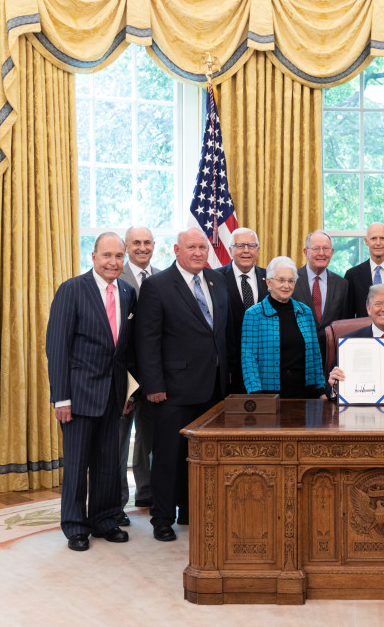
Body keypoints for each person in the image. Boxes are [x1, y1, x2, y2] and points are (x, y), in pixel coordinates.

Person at [135, 227, 232, 543]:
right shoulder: (157, 286)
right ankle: (162, 518)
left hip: (213, 389)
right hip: (172, 389)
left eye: (202, 247)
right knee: (167, 456)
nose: (198, 253)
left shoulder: (217, 282)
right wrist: (153, 384)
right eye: (191, 247)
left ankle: (191, 510)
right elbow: (147, 340)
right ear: (176, 250)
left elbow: (222, 335)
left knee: (203, 456)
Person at [46, 232, 136, 551]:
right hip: (79, 396)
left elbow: (127, 352)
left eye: (118, 256)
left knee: (107, 463)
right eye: (107, 255)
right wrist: (61, 398)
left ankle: (104, 519)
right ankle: (75, 526)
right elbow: (57, 347)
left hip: (114, 397)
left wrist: (128, 394)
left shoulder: (127, 292)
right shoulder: (72, 290)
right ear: (93, 256)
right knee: (77, 465)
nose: (113, 262)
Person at [118, 226, 161, 514]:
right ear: (126, 246)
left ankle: (146, 492)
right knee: (119, 442)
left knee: (150, 438)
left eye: (147, 242)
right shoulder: (114, 276)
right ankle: (116, 502)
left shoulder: (162, 278)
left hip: (154, 374)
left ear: (154, 245)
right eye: (136, 243)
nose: (142, 247)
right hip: (124, 373)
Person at [242, 256, 326, 398]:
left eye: (290, 281)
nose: (286, 285)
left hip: (306, 391)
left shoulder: (305, 312)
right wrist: (255, 393)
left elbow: (315, 355)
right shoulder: (254, 314)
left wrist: (321, 390)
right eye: (281, 280)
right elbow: (248, 359)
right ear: (269, 282)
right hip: (269, 393)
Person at [218, 228, 267, 394]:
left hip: (264, 367)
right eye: (240, 245)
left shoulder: (270, 279)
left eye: (251, 245)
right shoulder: (215, 279)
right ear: (231, 249)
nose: (246, 250)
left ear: (258, 250)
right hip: (230, 369)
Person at [292, 230, 352, 359]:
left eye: (326, 248)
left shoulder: (342, 284)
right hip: (297, 356)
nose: (321, 253)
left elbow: (344, 323)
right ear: (305, 252)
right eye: (316, 248)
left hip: (331, 358)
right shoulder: (292, 280)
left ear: (332, 252)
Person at [344, 222, 384, 317]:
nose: (378, 243)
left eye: (382, 238)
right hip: (363, 331)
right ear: (366, 241)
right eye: (373, 238)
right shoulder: (353, 275)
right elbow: (347, 316)